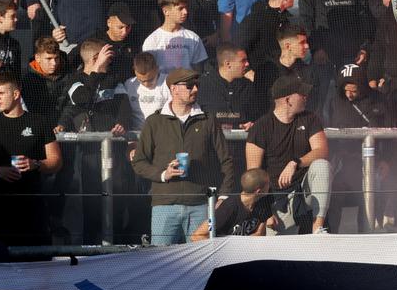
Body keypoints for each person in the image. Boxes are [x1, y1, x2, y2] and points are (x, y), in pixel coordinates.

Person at [131, 67, 238, 245]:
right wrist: (163, 174)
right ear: (173, 89)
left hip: (201, 205)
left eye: (196, 85)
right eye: (190, 86)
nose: (195, 89)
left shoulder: (207, 119)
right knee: (161, 261)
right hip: (163, 205)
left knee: (201, 261)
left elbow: (226, 160)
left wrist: (223, 196)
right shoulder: (154, 121)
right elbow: (139, 162)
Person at [0, 71, 62, 246]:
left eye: (1, 93)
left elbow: (56, 161)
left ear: (16, 94)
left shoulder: (39, 122)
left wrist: (35, 164)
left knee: (37, 262)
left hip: (31, 206)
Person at [245, 75, 332, 234]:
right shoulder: (261, 127)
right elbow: (253, 177)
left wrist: (295, 163)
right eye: (301, 94)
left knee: (322, 165)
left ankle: (318, 227)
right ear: (287, 100)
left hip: (305, 190)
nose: (306, 97)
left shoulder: (310, 119)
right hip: (277, 198)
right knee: (278, 251)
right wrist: (265, 213)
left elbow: (322, 151)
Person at [192, 168, 277, 239]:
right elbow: (197, 236)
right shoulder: (228, 207)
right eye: (268, 184)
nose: (270, 185)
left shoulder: (263, 203)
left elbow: (259, 234)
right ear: (258, 191)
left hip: (246, 252)